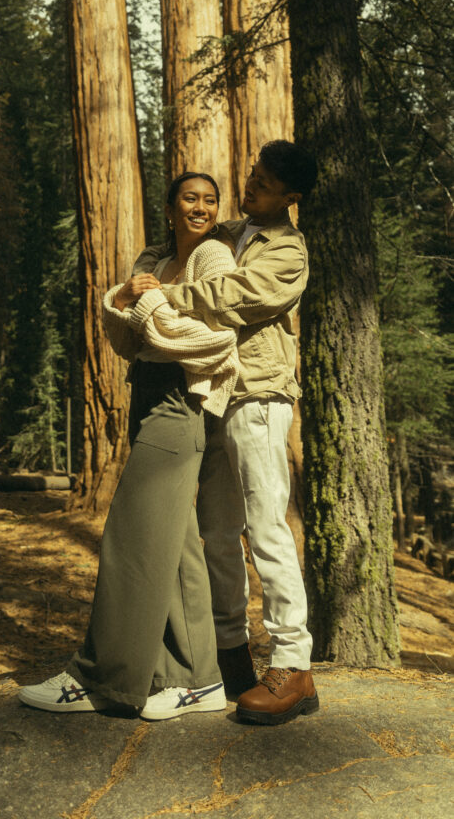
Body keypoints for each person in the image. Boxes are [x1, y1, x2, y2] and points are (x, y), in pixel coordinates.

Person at [19, 173, 240, 721]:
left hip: (182, 400)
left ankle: (100, 680)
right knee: (175, 541)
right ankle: (199, 680)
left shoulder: (213, 257)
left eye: (210, 201)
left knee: (132, 533)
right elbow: (125, 340)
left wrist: (147, 307)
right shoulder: (153, 257)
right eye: (190, 198)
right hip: (145, 392)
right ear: (169, 208)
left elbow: (216, 337)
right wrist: (120, 299)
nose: (201, 207)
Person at [135, 140, 319, 726]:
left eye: (263, 184)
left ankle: (293, 665)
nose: (248, 185)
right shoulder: (232, 231)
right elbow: (177, 254)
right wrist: (145, 278)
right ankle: (231, 656)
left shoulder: (288, 251)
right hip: (215, 394)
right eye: (252, 174)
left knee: (266, 528)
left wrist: (169, 295)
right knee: (217, 532)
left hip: (259, 397)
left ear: (291, 199)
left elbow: (234, 296)